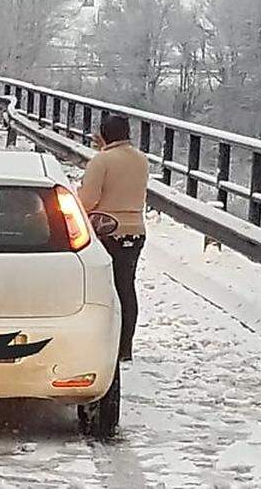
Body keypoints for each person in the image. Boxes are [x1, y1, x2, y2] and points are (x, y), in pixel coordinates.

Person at [76, 114, 149, 361]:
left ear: (103, 134)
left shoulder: (101, 161)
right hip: (135, 231)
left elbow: (88, 200)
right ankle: (125, 347)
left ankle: (107, 343)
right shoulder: (141, 160)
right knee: (127, 286)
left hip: (107, 230)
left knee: (106, 289)